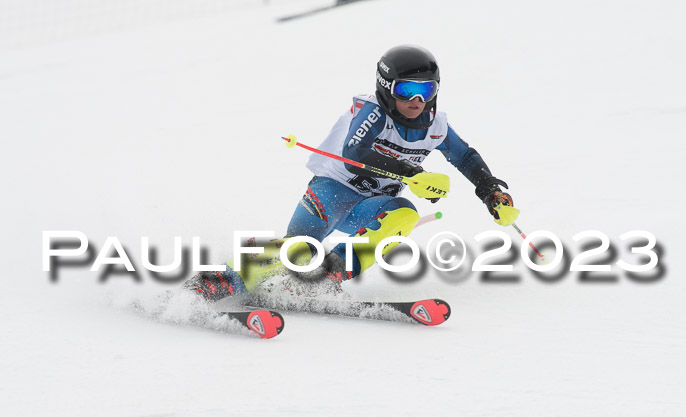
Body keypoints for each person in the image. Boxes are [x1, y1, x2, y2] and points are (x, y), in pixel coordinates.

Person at [185, 44, 514, 302]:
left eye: (425, 91)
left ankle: (323, 279)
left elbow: (466, 157)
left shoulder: (436, 127)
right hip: (333, 191)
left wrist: (490, 191)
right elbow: (354, 153)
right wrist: (412, 173)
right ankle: (212, 282)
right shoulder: (373, 112)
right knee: (300, 250)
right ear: (387, 88)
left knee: (404, 215)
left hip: (370, 206)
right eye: (405, 91)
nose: (416, 101)